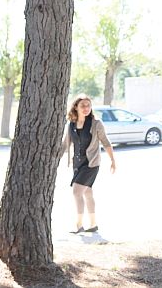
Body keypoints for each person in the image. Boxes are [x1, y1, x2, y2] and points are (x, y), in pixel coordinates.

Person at [60, 94, 116, 234]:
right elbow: (65, 144)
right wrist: (55, 159)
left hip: (91, 164)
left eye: (88, 105)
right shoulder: (71, 125)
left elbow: (106, 142)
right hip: (77, 164)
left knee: (76, 191)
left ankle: (78, 225)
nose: (86, 108)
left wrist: (112, 160)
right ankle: (93, 224)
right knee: (88, 193)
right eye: (82, 106)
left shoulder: (96, 123)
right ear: (76, 107)